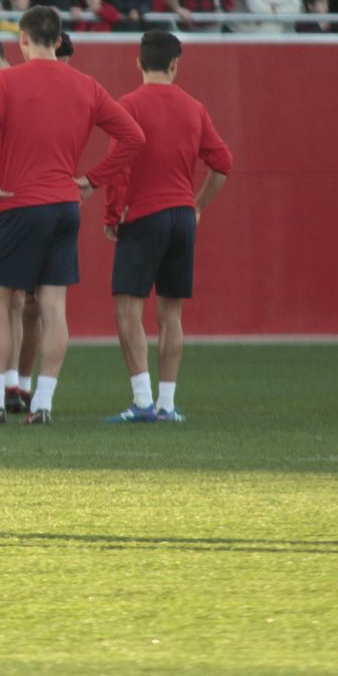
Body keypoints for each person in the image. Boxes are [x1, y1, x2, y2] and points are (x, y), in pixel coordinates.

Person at [0, 6, 145, 425]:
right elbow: (133, 136)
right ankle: (43, 403)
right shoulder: (86, 84)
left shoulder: (6, 82)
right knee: (54, 306)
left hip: (20, 204)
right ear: (59, 40)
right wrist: (93, 180)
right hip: (65, 206)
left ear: (21, 39)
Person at [102, 30, 232, 424]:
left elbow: (117, 166)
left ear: (138, 63)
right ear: (176, 65)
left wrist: (112, 215)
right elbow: (223, 164)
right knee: (170, 313)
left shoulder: (128, 105)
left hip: (144, 215)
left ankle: (142, 401)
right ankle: (167, 404)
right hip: (180, 216)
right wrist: (197, 206)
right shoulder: (194, 107)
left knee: (128, 307)